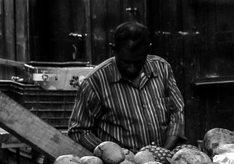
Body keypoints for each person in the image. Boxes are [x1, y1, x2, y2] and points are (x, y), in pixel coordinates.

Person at [68, 21, 185, 153]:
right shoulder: (94, 83)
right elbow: (79, 131)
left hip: (163, 159)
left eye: (138, 61)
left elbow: (177, 111)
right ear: (113, 50)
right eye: (126, 62)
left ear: (148, 50)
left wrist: (165, 151)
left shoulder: (162, 68)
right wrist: (114, 155)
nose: (131, 68)